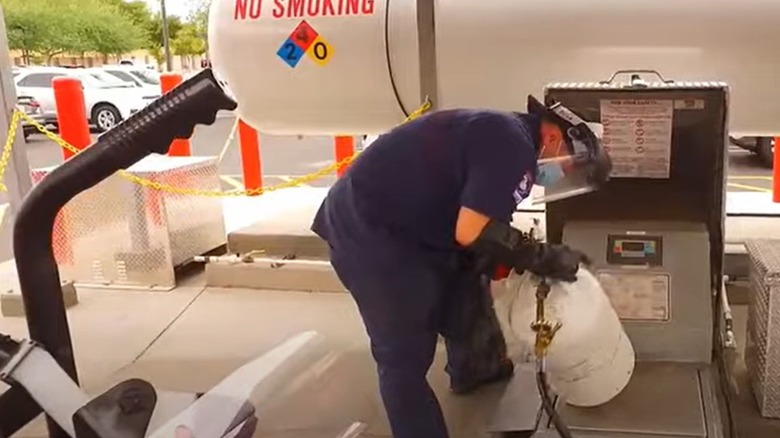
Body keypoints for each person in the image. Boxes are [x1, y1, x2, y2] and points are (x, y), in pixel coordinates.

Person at [310, 96, 611, 438]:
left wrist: (510, 254)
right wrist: (539, 256)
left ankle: (475, 369)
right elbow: (471, 231)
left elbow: (481, 224)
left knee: (467, 278)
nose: (562, 174)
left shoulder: (513, 139)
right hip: (372, 233)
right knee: (403, 357)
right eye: (569, 166)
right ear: (555, 137)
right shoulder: (510, 146)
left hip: (420, 226)